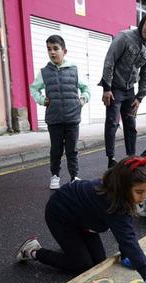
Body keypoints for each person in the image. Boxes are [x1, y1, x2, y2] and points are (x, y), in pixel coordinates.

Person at [16, 156, 146, 283]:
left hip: (84, 220)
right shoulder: (110, 200)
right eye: (139, 191)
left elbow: (126, 229)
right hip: (61, 215)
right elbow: (127, 238)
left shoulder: (119, 194)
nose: (144, 196)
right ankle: (33, 251)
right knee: (82, 265)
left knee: (98, 264)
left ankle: (71, 248)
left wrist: (126, 254)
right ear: (123, 186)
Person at [30, 35, 91, 190]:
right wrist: (42, 100)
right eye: (49, 49)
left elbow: (86, 88)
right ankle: (55, 176)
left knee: (72, 150)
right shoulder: (44, 72)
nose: (52, 52)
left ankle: (74, 176)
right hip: (54, 119)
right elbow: (34, 89)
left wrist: (82, 99)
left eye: (55, 48)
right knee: (56, 150)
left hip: (72, 118)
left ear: (64, 51)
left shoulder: (74, 70)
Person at [100, 13, 146, 168]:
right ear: (142, 23)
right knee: (112, 123)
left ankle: (131, 157)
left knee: (131, 125)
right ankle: (110, 159)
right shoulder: (124, 37)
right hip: (115, 89)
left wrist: (139, 97)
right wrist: (106, 88)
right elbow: (109, 60)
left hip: (130, 91)